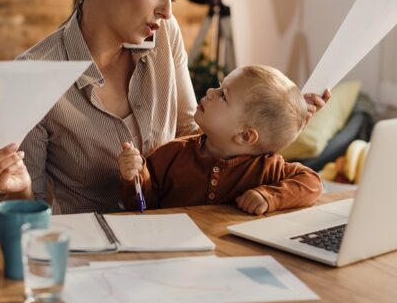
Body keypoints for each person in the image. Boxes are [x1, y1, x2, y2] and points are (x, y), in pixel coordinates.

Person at [0, 0, 330, 215]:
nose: (165, 12)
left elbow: (193, 132)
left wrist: (276, 123)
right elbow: (28, 205)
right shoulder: (32, 74)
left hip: (176, 238)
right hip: (91, 251)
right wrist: (14, 187)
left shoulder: (164, 35)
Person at [118, 65, 323, 215]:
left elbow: (312, 183)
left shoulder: (267, 168)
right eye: (218, 87)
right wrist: (135, 176)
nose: (210, 91)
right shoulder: (171, 154)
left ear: (245, 136)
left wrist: (268, 197)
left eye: (223, 95)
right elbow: (141, 208)